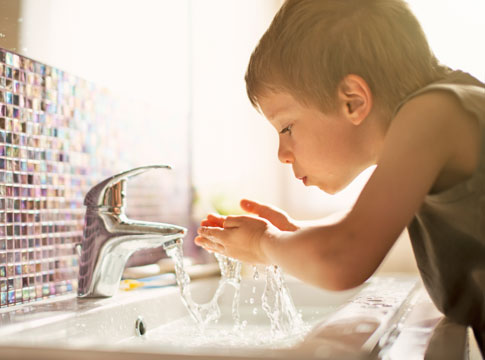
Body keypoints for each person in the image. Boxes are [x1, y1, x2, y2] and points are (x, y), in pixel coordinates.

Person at [194, 0, 485, 353]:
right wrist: (294, 236)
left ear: (353, 101)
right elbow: (356, 227)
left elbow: (345, 256)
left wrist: (263, 244)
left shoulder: (433, 113)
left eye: (286, 127)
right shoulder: (448, 105)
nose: (282, 154)